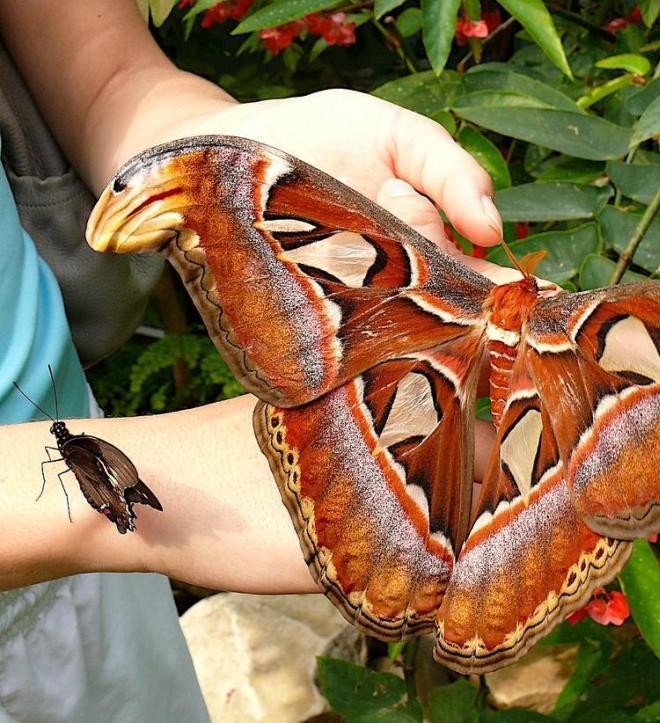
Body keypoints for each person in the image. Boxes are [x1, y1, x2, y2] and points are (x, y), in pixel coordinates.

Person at [0, 2, 510, 719]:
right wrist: (164, 483)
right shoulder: (123, 499)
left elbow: (106, 66)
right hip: (120, 520)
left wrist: (215, 165)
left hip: (107, 572)